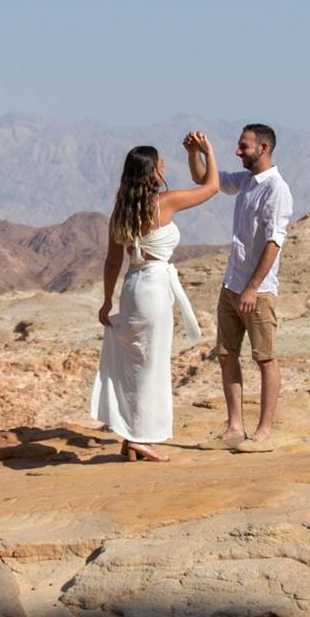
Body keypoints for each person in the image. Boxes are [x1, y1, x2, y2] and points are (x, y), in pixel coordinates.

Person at [90, 132, 221, 461]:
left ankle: (131, 435)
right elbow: (212, 187)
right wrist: (207, 152)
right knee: (151, 367)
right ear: (152, 172)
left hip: (133, 290)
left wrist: (107, 301)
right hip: (154, 290)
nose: (165, 168)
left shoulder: (120, 212)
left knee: (137, 364)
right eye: (162, 163)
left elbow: (112, 262)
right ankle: (139, 438)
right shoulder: (164, 203)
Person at [209, 123, 293, 450]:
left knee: (265, 358)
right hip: (232, 283)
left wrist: (252, 287)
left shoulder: (276, 189)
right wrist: (199, 153)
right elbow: (210, 180)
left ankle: (264, 434)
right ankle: (234, 430)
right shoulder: (245, 181)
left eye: (244, 146)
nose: (238, 151)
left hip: (257, 290)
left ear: (264, 148)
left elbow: (274, 242)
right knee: (227, 354)